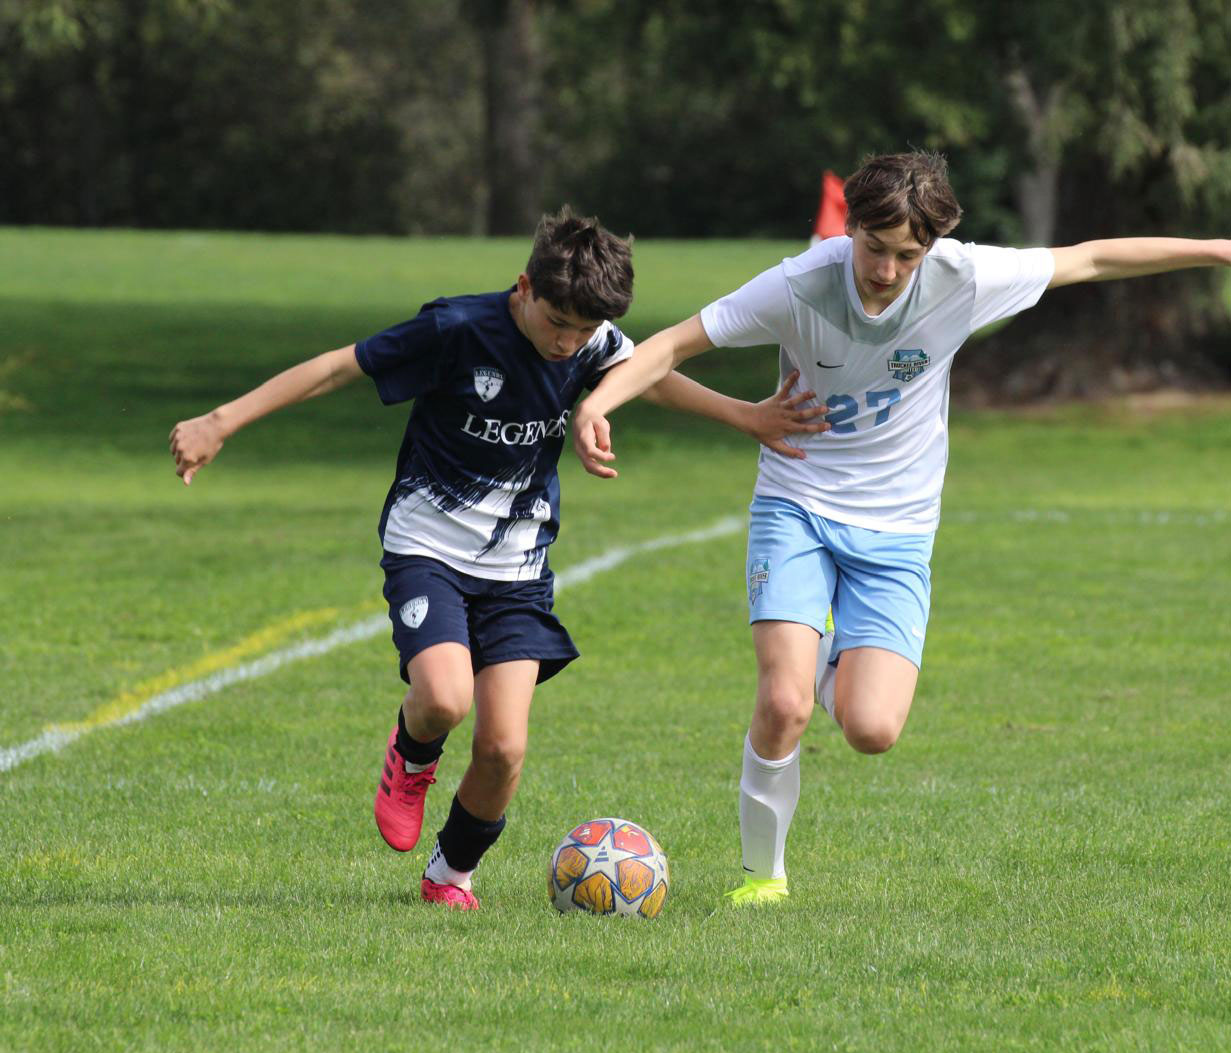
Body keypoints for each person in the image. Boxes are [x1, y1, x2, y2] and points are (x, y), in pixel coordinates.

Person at [571, 151, 1231, 906]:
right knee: (782, 703)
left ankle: (815, 660)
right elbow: (669, 345)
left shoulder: (963, 278)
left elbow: (1087, 259)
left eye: (906, 255)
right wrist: (598, 406)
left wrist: (1215, 249)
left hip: (898, 530)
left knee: (871, 728)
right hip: (798, 500)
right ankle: (762, 878)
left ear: (934, 245)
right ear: (849, 228)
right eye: (873, 247)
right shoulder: (799, 285)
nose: (885, 270)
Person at [169, 208, 820, 910]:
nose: (568, 344)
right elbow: (336, 369)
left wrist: (745, 415)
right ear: (522, 289)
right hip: (428, 550)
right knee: (445, 699)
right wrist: (220, 420)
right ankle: (411, 757)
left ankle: (450, 874)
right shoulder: (458, 330)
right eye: (556, 324)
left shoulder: (591, 340)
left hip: (517, 572)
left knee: (504, 749)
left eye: (583, 332)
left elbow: (650, 378)